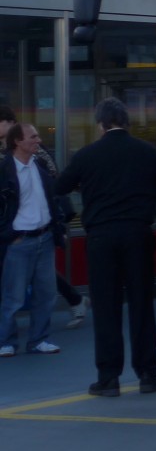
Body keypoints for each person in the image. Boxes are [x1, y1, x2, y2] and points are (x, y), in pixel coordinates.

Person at [54, 98, 156, 397]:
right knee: (142, 304)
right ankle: (148, 374)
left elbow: (60, 186)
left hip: (101, 236)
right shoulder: (146, 151)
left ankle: (108, 378)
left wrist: (88, 187)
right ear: (126, 122)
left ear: (100, 125)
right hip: (137, 232)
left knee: (106, 307)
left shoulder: (87, 155)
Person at [0, 105, 88, 329]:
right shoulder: (6, 148)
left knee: (36, 270)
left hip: (44, 214)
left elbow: (52, 176)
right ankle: (74, 299)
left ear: (9, 123)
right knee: (30, 269)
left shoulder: (31, 147)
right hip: (18, 220)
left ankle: (73, 300)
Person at [0, 121, 65, 357]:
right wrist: (9, 236)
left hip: (44, 237)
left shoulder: (40, 165)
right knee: (13, 297)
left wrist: (57, 227)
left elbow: (54, 197)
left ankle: (39, 339)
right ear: (17, 141)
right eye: (33, 137)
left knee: (45, 294)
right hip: (19, 241)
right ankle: (6, 341)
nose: (38, 140)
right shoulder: (4, 170)